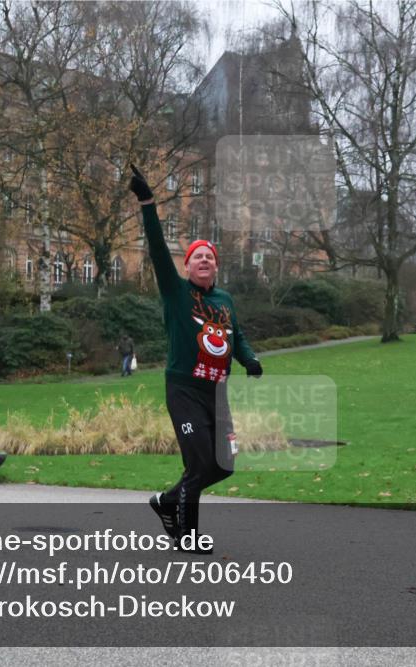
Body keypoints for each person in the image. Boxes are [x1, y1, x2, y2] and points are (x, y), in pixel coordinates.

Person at [128, 164, 262, 555]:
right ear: (187, 266)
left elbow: (236, 336)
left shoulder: (225, 301)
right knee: (201, 463)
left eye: (210, 257)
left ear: (216, 266)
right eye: (197, 257)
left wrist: (249, 359)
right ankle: (186, 535)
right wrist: (148, 203)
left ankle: (168, 501)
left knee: (223, 464)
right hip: (184, 388)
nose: (204, 260)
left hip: (216, 393)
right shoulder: (176, 292)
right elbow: (155, 247)